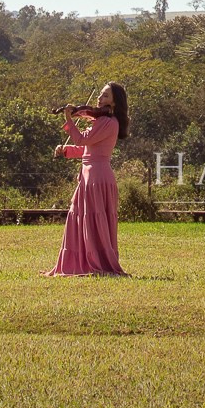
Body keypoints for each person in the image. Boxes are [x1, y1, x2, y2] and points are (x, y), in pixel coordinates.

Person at [49, 82, 128, 277]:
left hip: (97, 177)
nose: (100, 99)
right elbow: (87, 149)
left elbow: (82, 140)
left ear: (115, 102)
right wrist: (66, 150)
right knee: (79, 218)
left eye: (106, 96)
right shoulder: (101, 121)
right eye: (100, 95)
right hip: (88, 175)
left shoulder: (109, 122)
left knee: (94, 221)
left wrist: (69, 119)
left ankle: (97, 263)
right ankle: (79, 262)